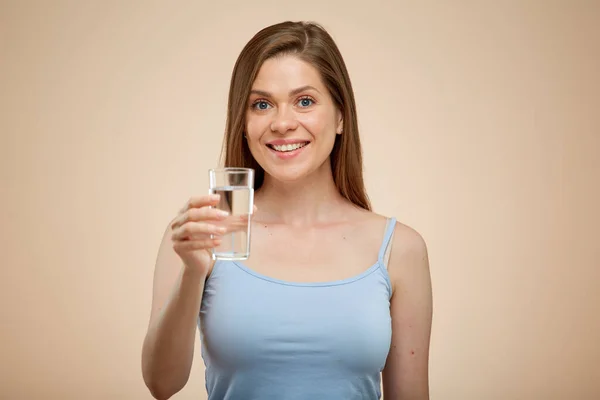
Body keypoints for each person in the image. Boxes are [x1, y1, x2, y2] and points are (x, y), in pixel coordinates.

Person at [141, 20, 433, 400]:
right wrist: (193, 273)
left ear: (341, 116)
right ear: (243, 123)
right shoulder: (202, 234)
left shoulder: (400, 249)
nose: (281, 123)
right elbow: (162, 385)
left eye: (305, 101)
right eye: (261, 104)